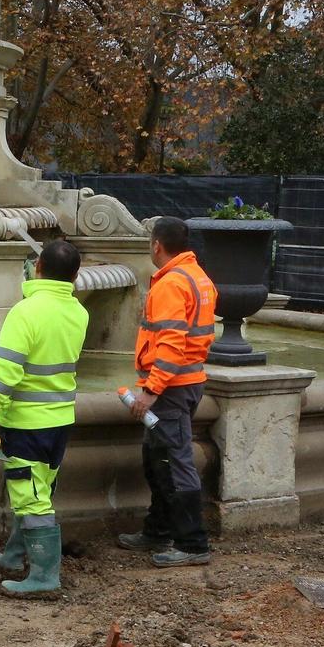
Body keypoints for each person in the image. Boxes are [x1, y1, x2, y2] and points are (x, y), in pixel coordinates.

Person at [0, 240, 88, 598]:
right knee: (39, 488)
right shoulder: (77, 312)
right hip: (59, 420)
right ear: (76, 274)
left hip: (27, 422)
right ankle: (13, 556)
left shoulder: (25, 312)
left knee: (30, 496)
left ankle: (44, 578)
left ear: (37, 267)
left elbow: (5, 373)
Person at [118, 216, 217, 567]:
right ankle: (159, 528)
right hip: (186, 384)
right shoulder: (198, 278)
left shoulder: (171, 285)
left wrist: (150, 390)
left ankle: (192, 543)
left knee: (174, 463)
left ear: (156, 245)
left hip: (172, 389)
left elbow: (172, 344)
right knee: (157, 458)